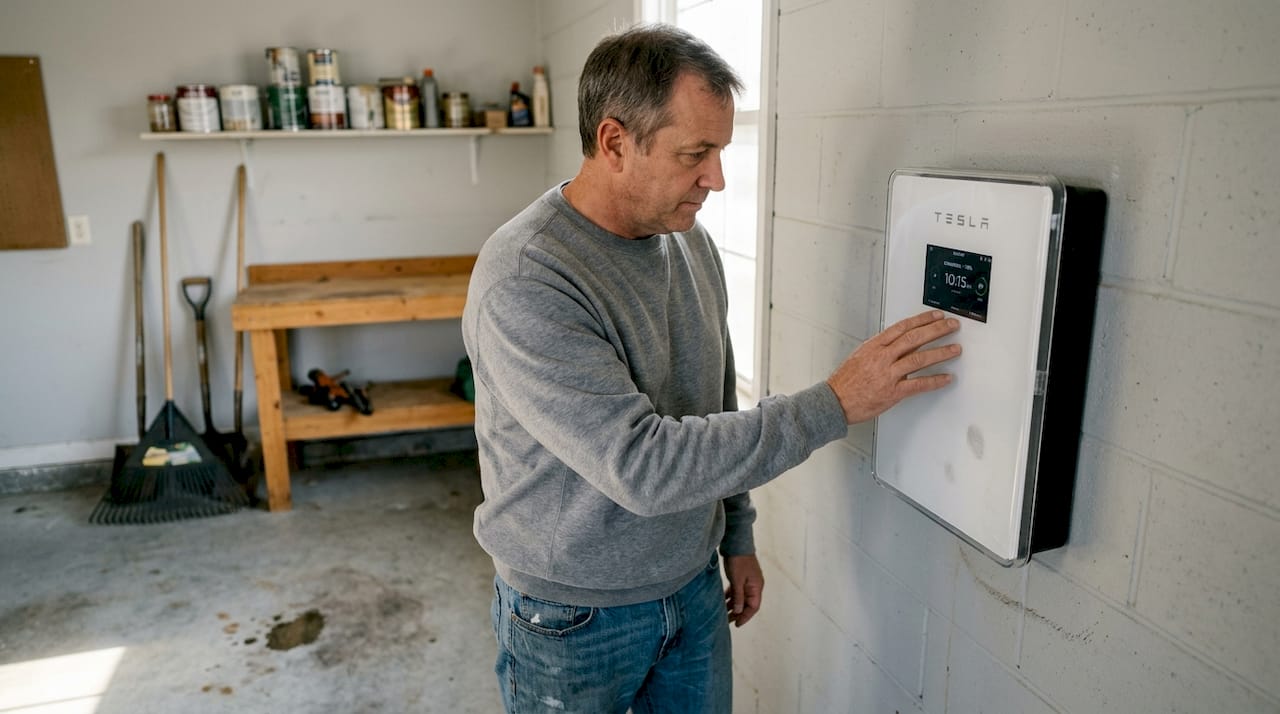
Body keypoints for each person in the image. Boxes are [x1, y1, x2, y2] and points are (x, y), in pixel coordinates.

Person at [461, 24, 960, 714]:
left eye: (721, 152)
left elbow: (713, 400)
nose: (716, 180)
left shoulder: (688, 242)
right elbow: (643, 466)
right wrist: (836, 403)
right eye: (695, 154)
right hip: (573, 617)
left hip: (692, 587)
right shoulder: (527, 278)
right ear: (614, 142)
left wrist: (737, 535)